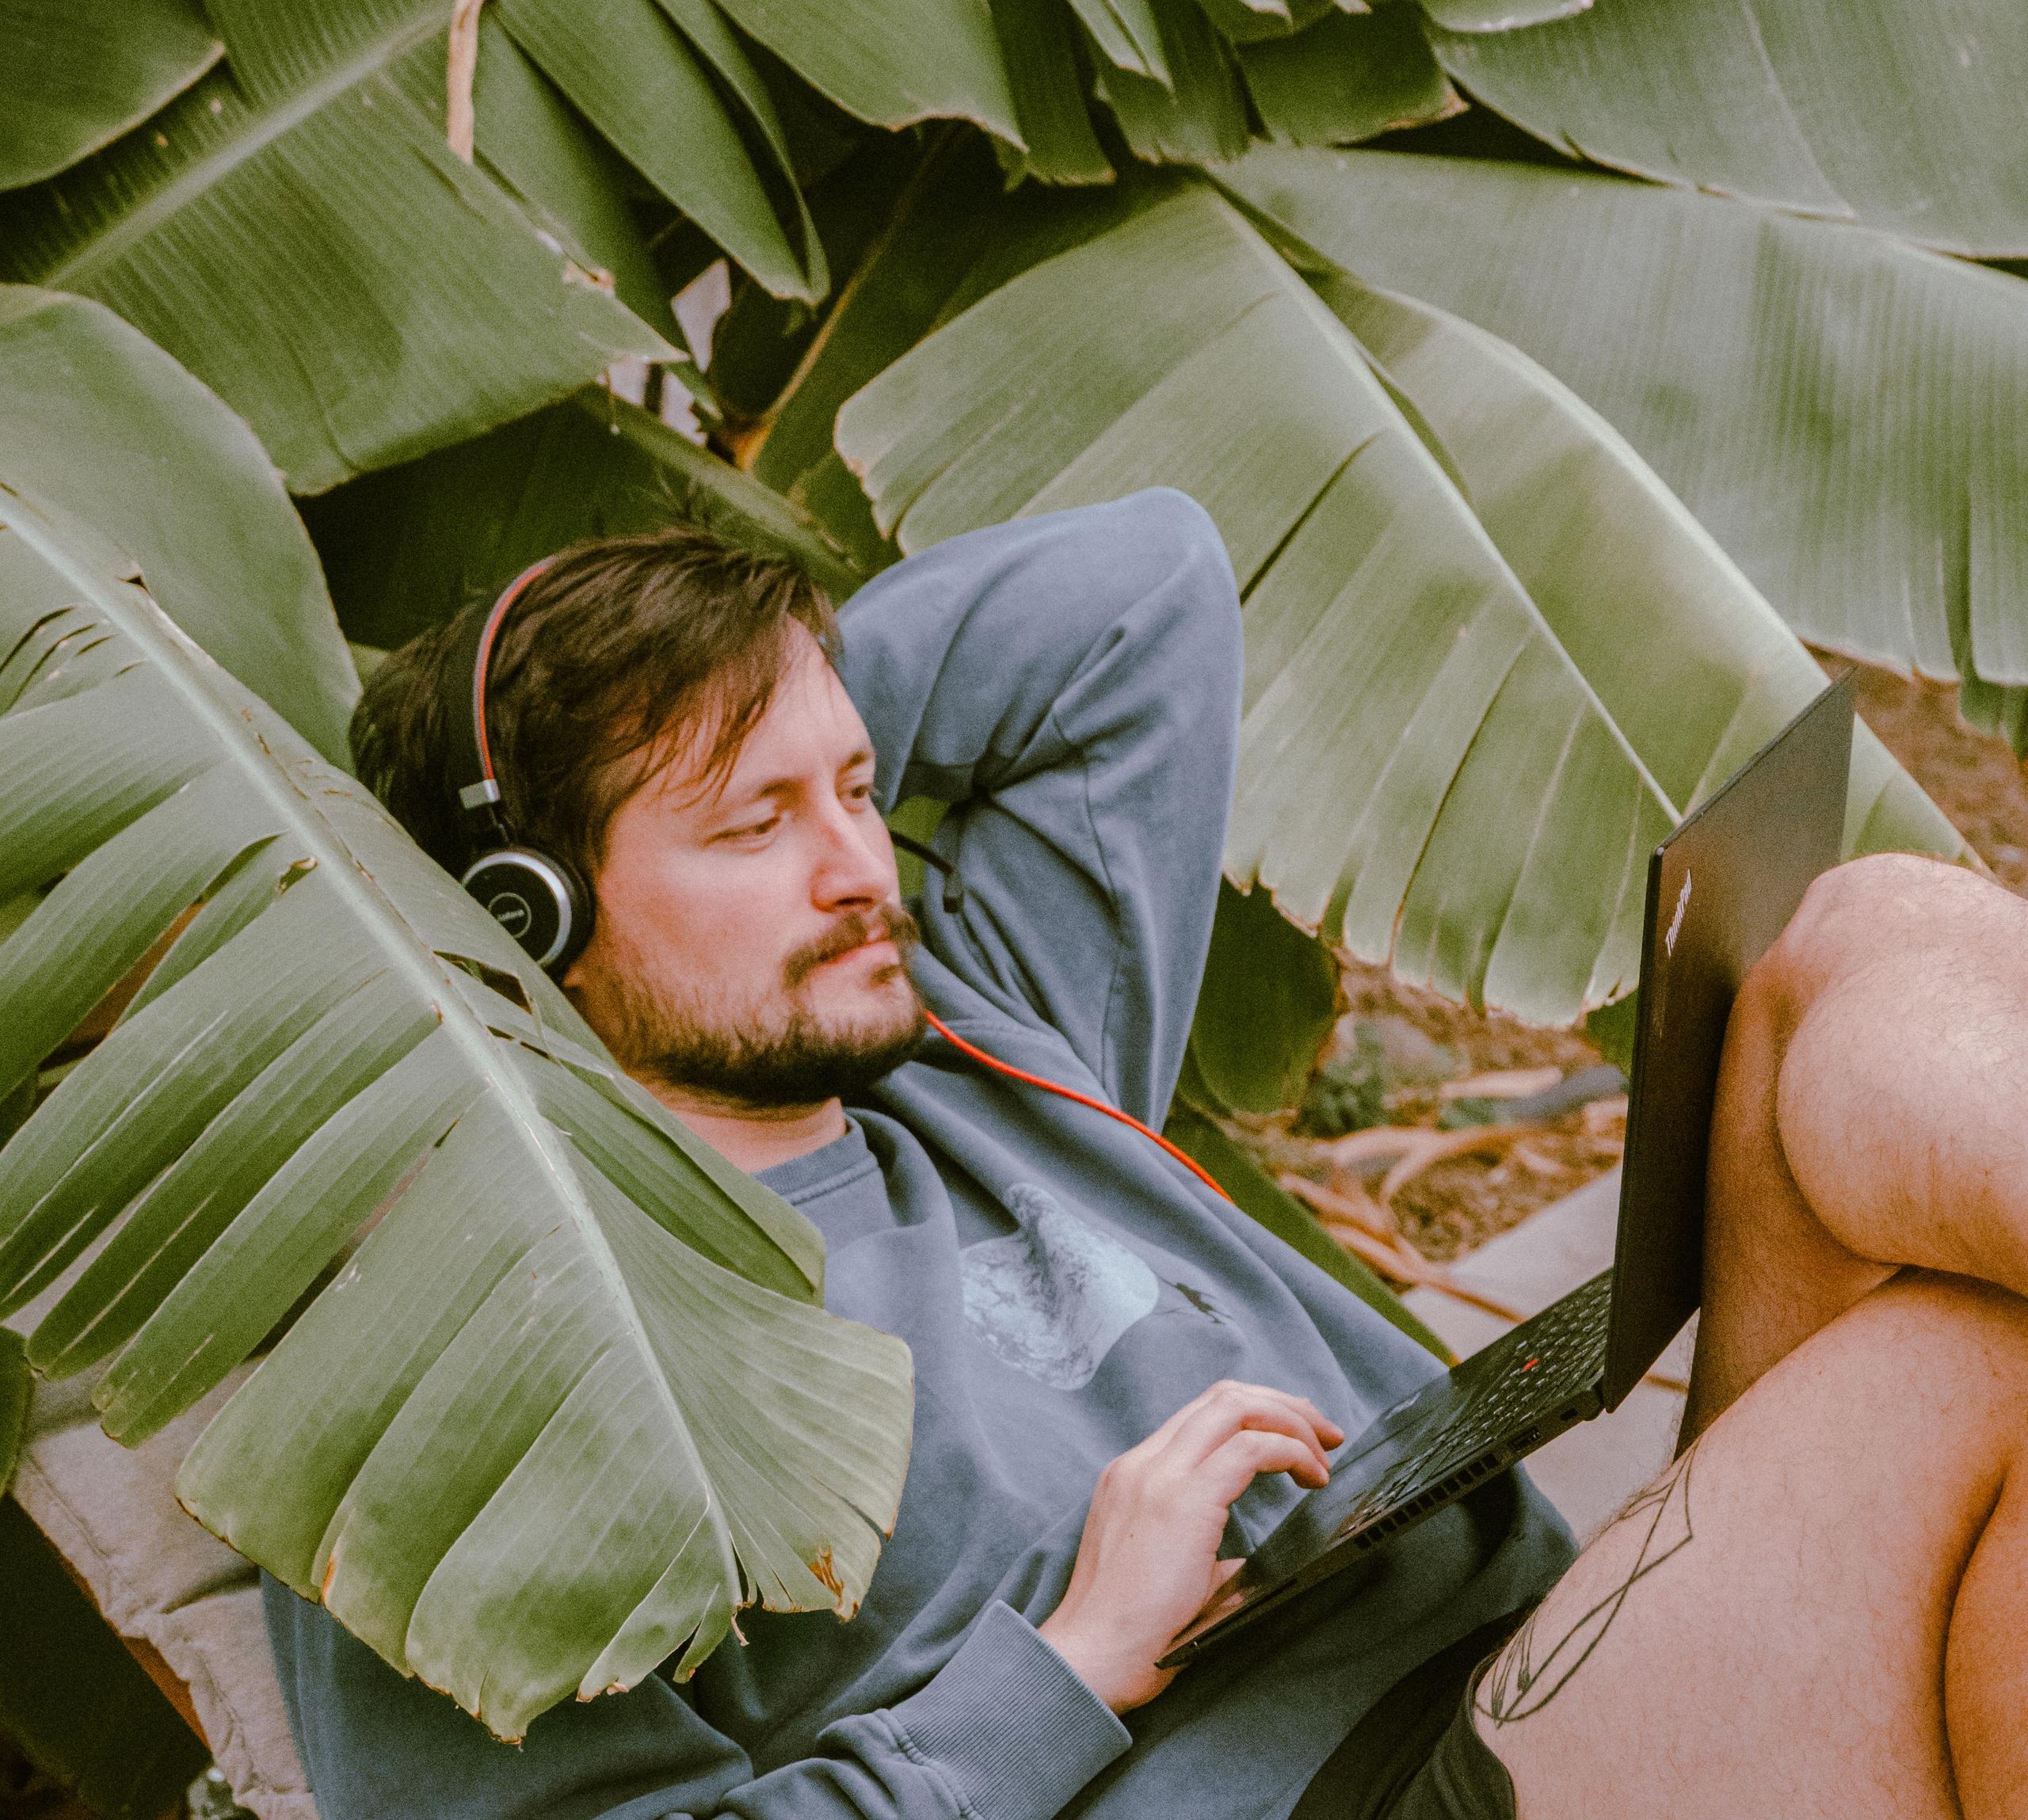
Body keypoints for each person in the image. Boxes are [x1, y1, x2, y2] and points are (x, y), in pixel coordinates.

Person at [266, 492, 2028, 1820]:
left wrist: (740, 704)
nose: (855, 869)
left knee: (1864, 933)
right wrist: (1060, 1665)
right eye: (752, 824)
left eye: (860, 789)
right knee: (1965, 1363)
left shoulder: (965, 1024)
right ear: (529, 914)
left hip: (1548, 1646)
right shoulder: (477, 1365)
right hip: (1359, 1789)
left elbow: (1143, 587)